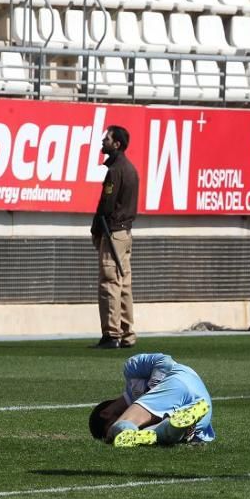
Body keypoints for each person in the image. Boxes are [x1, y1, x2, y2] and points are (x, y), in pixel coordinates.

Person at [88, 352, 215, 448]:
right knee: (158, 433)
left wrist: (151, 390)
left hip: (179, 380)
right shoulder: (146, 417)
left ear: (106, 413)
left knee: (122, 426)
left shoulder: (130, 370)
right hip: (203, 411)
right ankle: (179, 429)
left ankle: (119, 429)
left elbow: (165, 361)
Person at [90, 125, 139, 349]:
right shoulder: (130, 168)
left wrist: (96, 230)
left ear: (116, 144)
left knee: (110, 282)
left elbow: (106, 206)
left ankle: (111, 334)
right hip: (126, 232)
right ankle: (127, 333)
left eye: (107, 138)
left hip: (114, 232)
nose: (103, 141)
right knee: (124, 284)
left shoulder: (115, 170)